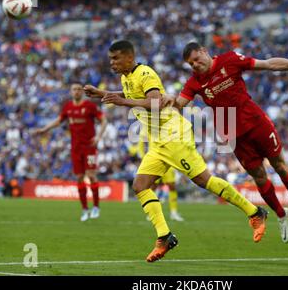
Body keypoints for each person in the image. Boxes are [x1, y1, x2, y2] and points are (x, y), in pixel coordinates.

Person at [84, 40, 268, 263]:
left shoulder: (145, 74)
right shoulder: (127, 77)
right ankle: (164, 236)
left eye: (115, 58)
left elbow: (154, 103)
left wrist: (122, 101)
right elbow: (128, 95)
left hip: (173, 136)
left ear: (129, 58)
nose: (111, 63)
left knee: (204, 180)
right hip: (158, 142)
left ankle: (255, 212)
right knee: (140, 186)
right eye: (110, 58)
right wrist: (101, 93)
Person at [163, 42, 288, 243]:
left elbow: (268, 64)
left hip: (256, 122)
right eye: (190, 63)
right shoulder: (194, 82)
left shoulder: (229, 60)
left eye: (196, 59)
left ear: (205, 51)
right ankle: (282, 215)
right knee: (259, 176)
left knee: (280, 167)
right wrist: (168, 99)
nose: (195, 65)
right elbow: (179, 104)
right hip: (233, 133)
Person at [33, 83, 107, 222]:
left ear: (82, 92)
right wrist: (44, 129)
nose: (77, 91)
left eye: (79, 89)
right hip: (76, 148)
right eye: (74, 89)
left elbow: (103, 120)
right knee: (79, 178)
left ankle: (96, 206)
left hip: (90, 147)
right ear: (71, 92)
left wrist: (98, 137)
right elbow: (59, 121)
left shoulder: (90, 106)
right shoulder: (68, 107)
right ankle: (85, 209)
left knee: (91, 175)